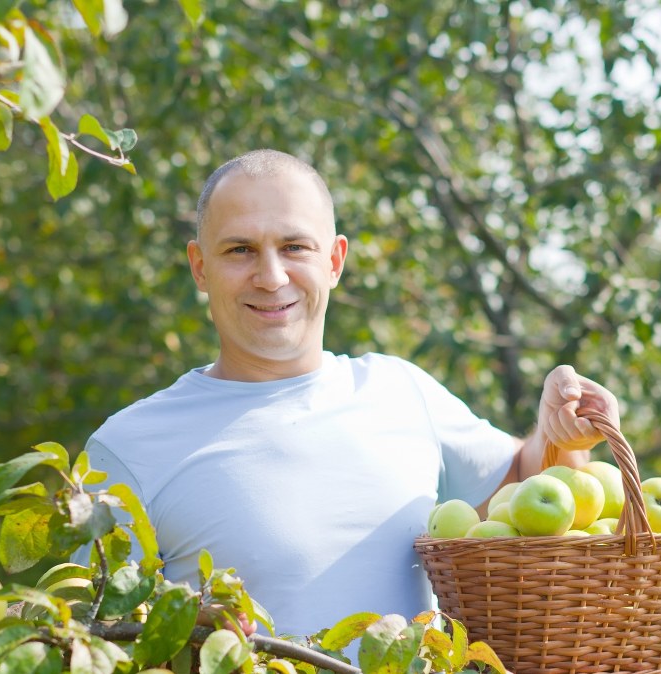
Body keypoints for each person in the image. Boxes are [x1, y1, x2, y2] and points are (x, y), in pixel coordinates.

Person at [71, 149, 619, 638]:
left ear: (334, 260)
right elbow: (90, 639)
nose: (270, 275)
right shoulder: (129, 447)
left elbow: (538, 500)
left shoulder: (399, 391)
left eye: (294, 246)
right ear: (200, 267)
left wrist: (561, 429)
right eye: (240, 249)